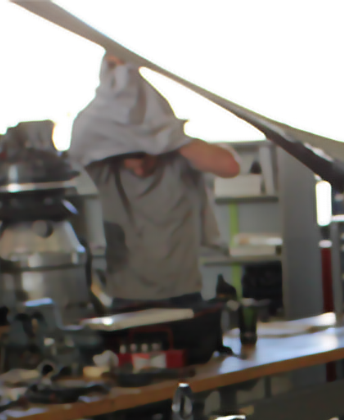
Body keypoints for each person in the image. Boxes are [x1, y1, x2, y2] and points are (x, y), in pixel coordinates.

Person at [69, 54, 241, 311]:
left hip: (184, 295)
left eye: (145, 156)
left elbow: (230, 166)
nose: (139, 168)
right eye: (130, 158)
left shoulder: (178, 160)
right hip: (127, 299)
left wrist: (165, 134)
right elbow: (82, 137)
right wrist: (114, 83)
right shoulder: (107, 170)